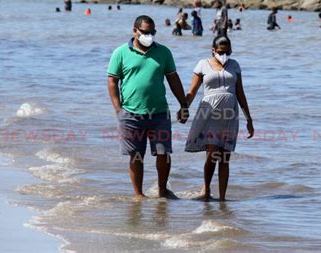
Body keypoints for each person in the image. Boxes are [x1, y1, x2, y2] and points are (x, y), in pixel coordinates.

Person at [107, 15, 189, 200]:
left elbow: (173, 79)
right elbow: (112, 81)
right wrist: (118, 109)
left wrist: (183, 104)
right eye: (145, 32)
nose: (149, 36)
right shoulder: (120, 53)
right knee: (136, 155)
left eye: (152, 32)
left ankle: (162, 190)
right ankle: (138, 194)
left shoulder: (164, 52)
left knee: (164, 153)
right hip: (130, 113)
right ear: (135, 31)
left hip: (159, 113)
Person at [185, 35, 254, 201]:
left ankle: (222, 198)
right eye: (221, 51)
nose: (224, 54)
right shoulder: (203, 64)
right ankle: (206, 190)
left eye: (228, 51)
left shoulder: (235, 65)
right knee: (212, 153)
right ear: (213, 50)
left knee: (225, 156)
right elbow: (193, 90)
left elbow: (240, 93)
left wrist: (249, 119)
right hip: (209, 113)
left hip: (230, 115)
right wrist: (184, 108)